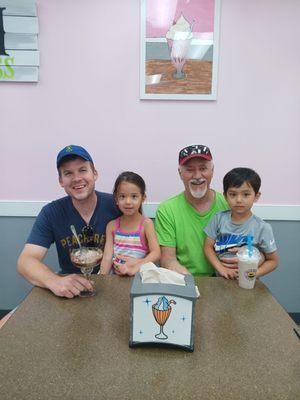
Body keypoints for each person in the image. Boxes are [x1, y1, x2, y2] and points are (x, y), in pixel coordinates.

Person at [17, 145, 120, 298]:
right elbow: (25, 261)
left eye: (83, 170)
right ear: (61, 181)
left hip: (112, 286)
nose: (77, 178)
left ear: (95, 173)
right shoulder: (51, 212)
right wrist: (55, 281)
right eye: (68, 173)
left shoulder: (117, 205)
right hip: (68, 291)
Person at [155, 144, 230, 276]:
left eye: (203, 168)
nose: (197, 176)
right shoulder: (167, 210)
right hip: (183, 282)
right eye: (190, 170)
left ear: (212, 170)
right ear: (180, 173)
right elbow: (168, 260)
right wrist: (191, 283)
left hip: (225, 280)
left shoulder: (228, 204)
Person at [204, 167, 279, 279]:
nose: (239, 200)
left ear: (256, 196)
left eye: (246, 194)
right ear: (225, 196)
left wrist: (252, 274)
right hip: (220, 281)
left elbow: (273, 261)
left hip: (247, 283)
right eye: (233, 194)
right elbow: (207, 247)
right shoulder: (218, 219)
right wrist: (221, 269)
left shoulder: (262, 228)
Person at [101, 171, 160, 276]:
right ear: (116, 199)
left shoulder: (146, 224)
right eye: (122, 196)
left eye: (134, 196)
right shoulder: (112, 226)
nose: (128, 202)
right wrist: (102, 278)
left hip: (139, 277)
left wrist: (136, 267)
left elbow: (156, 253)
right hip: (116, 278)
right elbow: (107, 256)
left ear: (143, 198)